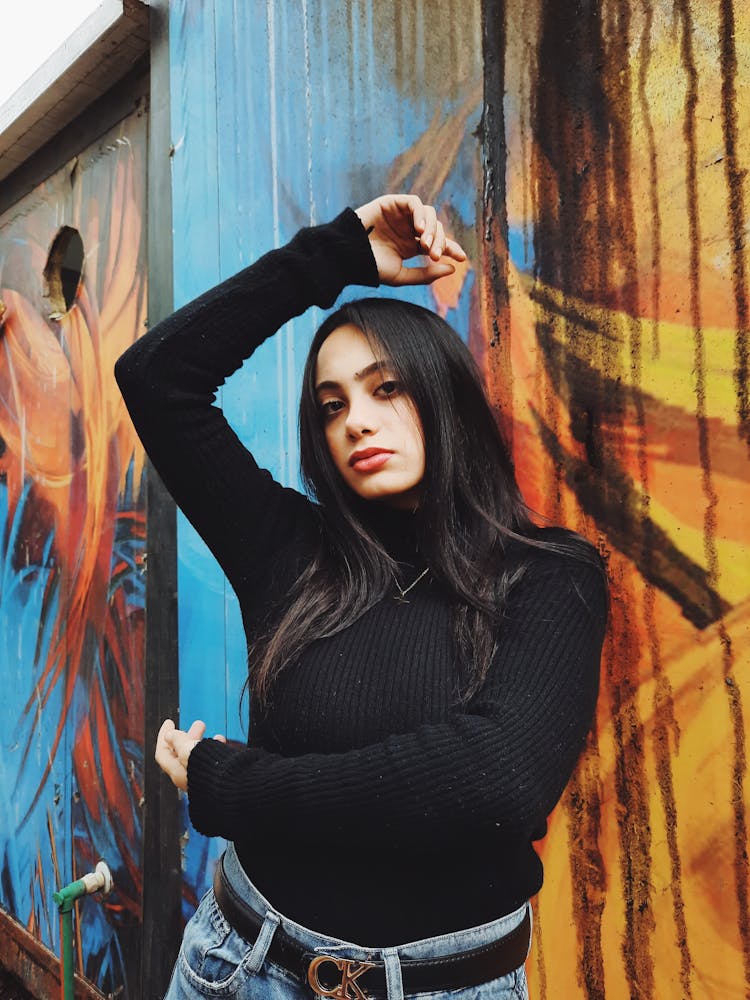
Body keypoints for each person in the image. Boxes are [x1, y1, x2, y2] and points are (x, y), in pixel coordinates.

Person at [115, 194, 607, 1000]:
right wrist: (334, 256)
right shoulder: (290, 551)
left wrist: (234, 786)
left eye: (387, 389)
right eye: (333, 405)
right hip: (239, 967)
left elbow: (494, 781)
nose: (356, 423)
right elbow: (158, 377)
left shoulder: (550, 574)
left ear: (442, 394)